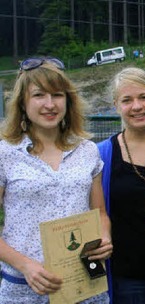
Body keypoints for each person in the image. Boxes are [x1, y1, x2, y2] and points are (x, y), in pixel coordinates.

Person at [0, 58, 112, 303]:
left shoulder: (87, 151)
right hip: (25, 286)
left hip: (83, 282)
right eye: (39, 95)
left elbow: (100, 213)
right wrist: (26, 266)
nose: (50, 104)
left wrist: (105, 237)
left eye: (57, 95)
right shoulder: (5, 153)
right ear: (22, 102)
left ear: (68, 100)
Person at [97, 67, 145, 303]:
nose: (137, 107)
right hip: (126, 278)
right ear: (116, 105)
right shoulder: (102, 155)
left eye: (143, 97)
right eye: (127, 100)